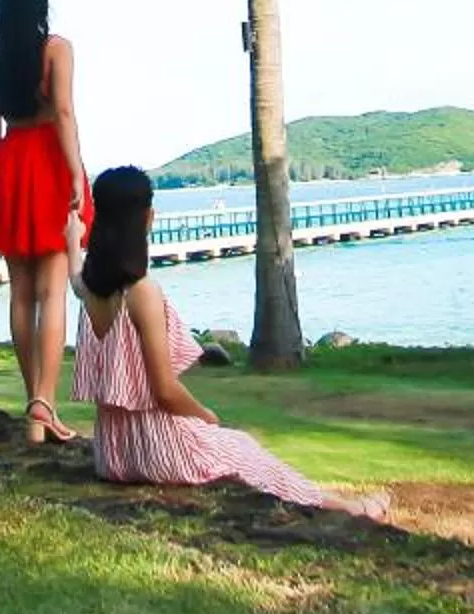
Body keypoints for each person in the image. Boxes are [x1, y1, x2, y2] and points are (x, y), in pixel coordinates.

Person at [72, 165, 387, 518]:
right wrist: (205, 416)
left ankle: (336, 502)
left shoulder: (90, 289)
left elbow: (74, 275)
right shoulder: (141, 291)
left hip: (113, 453)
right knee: (244, 450)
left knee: (237, 449)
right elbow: (163, 390)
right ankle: (344, 506)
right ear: (148, 217)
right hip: (156, 450)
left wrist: (73, 237)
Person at [0, 0, 90, 445]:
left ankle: (34, 409)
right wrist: (76, 174)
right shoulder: (56, 50)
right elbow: (63, 112)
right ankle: (45, 403)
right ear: (41, 0)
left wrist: (3, 178)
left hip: (11, 164)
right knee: (52, 292)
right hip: (49, 160)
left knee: (20, 294)